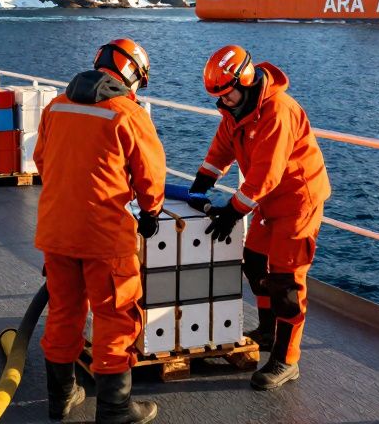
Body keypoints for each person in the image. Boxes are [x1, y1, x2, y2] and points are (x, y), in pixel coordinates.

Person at [34, 38, 165, 424]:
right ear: (132, 75)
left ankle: (61, 399)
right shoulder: (128, 113)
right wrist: (151, 210)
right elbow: (151, 176)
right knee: (115, 317)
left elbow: (42, 159)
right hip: (104, 238)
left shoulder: (56, 106)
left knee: (63, 312)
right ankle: (115, 409)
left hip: (56, 232)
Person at [186, 45, 331, 390]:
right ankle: (267, 330)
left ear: (245, 80)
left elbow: (267, 173)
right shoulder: (235, 110)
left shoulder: (278, 111)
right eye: (218, 97)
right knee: (253, 262)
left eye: (227, 94)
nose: (224, 102)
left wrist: (233, 212)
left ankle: (286, 360)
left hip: (297, 203)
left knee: (286, 284)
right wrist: (201, 182)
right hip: (268, 203)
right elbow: (222, 149)